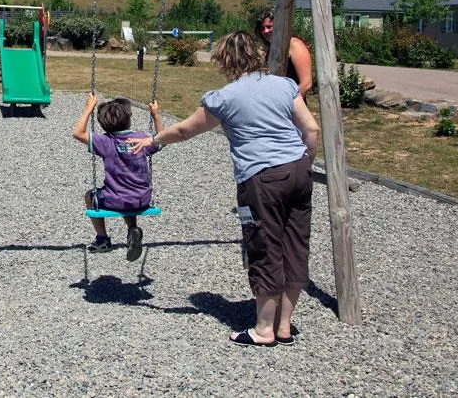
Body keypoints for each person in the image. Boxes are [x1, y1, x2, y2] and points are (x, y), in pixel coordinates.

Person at [128, 31, 320, 347]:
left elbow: (185, 130)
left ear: (225, 61)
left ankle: (263, 330)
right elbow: (310, 129)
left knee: (264, 246)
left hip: (261, 179)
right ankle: (284, 326)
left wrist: (153, 139)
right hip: (298, 172)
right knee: (295, 245)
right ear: (256, 55)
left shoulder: (225, 97)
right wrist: (304, 163)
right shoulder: (285, 85)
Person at [71, 93, 164, 261]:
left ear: (102, 123)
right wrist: (155, 115)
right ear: (128, 119)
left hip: (115, 199)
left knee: (90, 196)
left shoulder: (105, 141)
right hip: (141, 199)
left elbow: (77, 133)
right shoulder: (142, 139)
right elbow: (163, 138)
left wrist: (88, 108)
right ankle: (132, 229)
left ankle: (102, 240)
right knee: (127, 196)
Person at [255, 7, 313, 97]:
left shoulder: (294, 45)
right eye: (263, 28)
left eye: (269, 27)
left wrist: (287, 104)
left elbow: (306, 84)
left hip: (292, 105)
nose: (265, 31)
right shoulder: (272, 49)